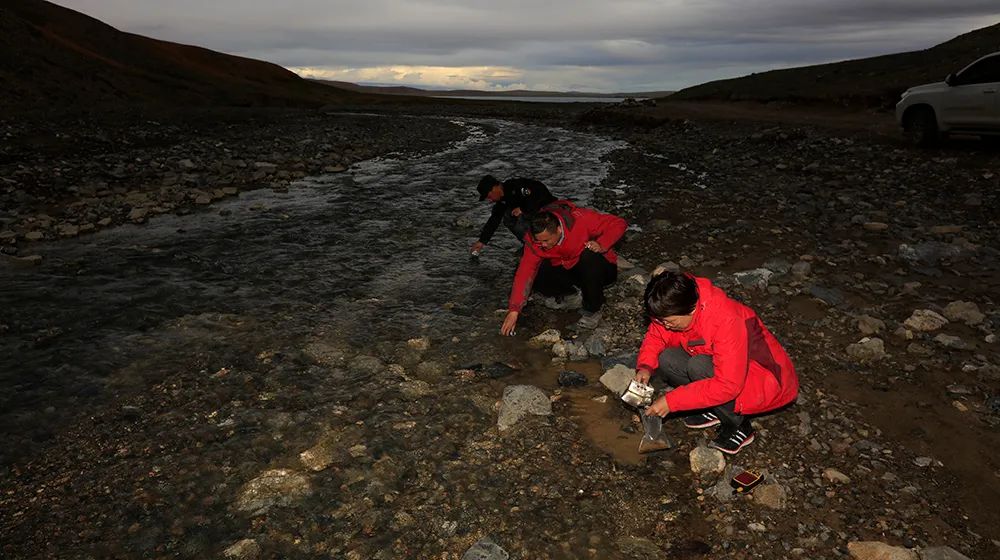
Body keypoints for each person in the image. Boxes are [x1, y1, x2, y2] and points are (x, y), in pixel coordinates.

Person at [637, 271, 798, 455]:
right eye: (660, 320)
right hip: (720, 365)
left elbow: (728, 385)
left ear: (690, 309)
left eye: (669, 321)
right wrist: (645, 366)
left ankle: (738, 426)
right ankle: (714, 409)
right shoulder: (675, 305)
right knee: (667, 359)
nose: (664, 325)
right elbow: (656, 335)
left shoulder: (726, 319)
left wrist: (671, 401)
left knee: (698, 366)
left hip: (766, 380)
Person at [500, 200, 627, 334]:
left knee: (588, 256)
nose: (542, 244)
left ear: (559, 230)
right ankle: (571, 296)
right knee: (529, 268)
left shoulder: (581, 219)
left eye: (546, 240)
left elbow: (619, 223)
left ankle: (592, 309)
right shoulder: (534, 242)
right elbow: (524, 273)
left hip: (601, 269)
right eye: (539, 241)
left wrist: (601, 244)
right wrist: (514, 310)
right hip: (570, 269)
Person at [470, 174, 556, 254]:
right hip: (534, 216)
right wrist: (482, 241)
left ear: (495, 188)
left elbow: (541, 192)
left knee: (520, 216)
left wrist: (523, 209)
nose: (490, 200)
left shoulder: (516, 186)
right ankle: (529, 244)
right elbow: (494, 219)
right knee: (508, 216)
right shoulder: (502, 201)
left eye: (489, 196)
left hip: (550, 213)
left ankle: (540, 244)